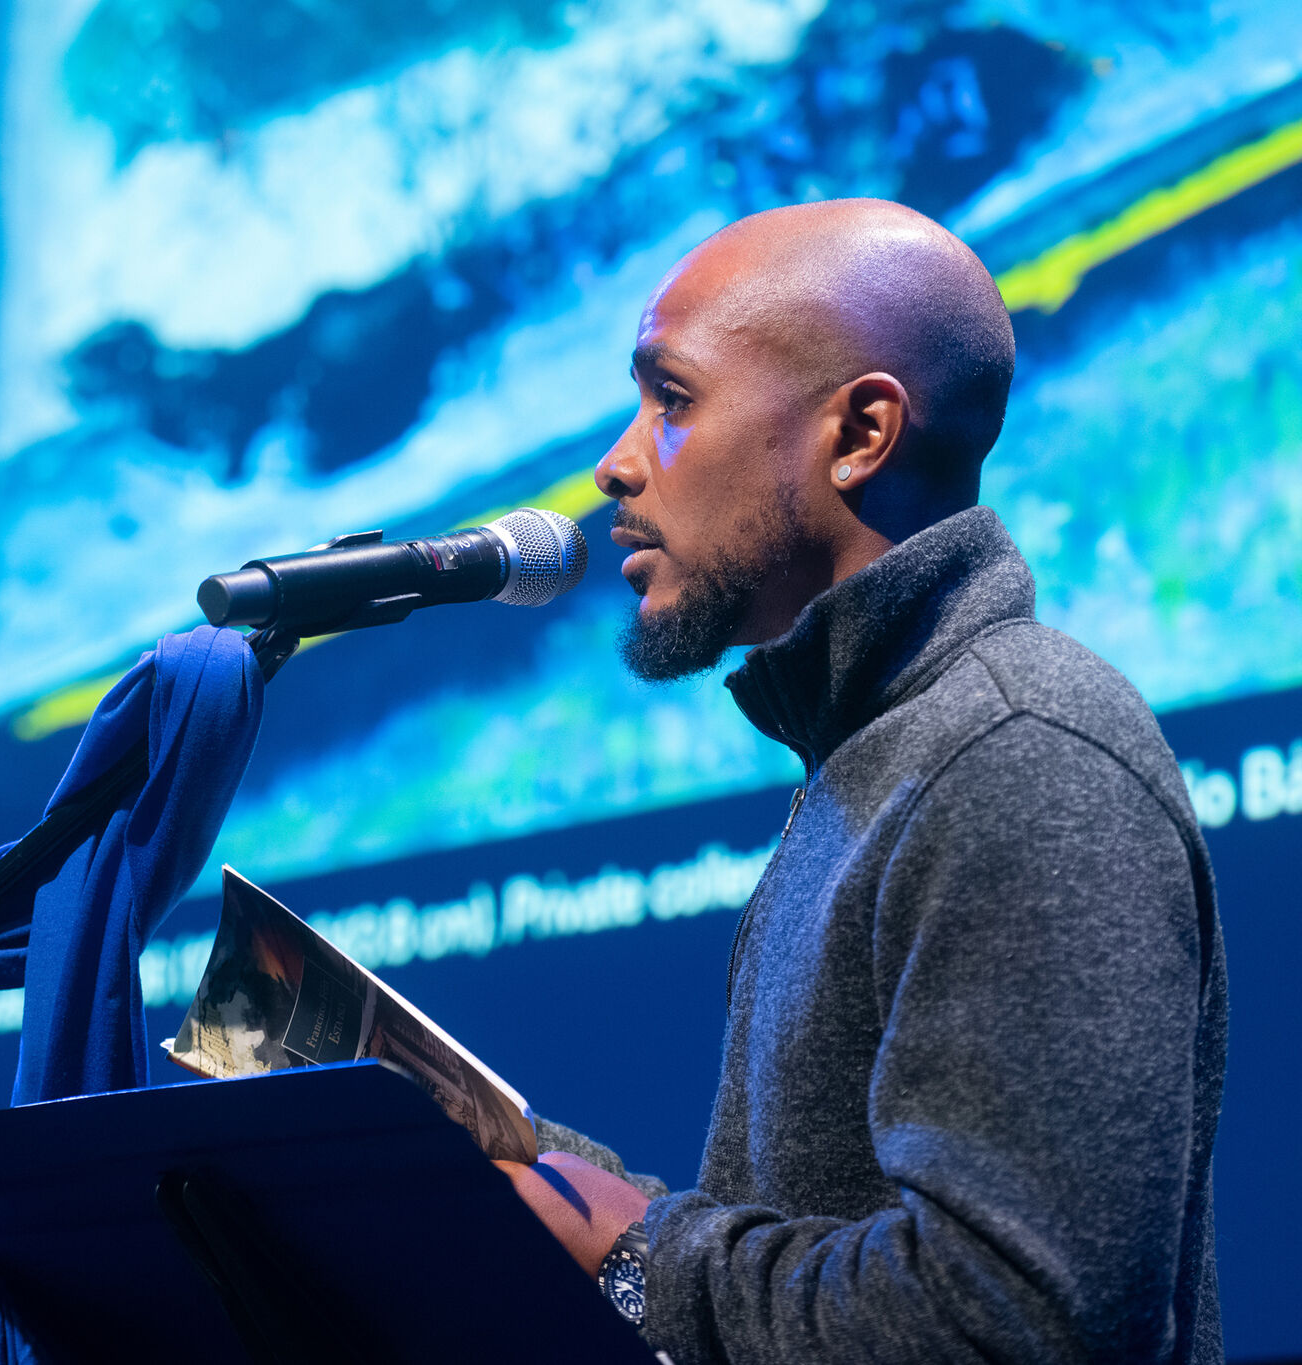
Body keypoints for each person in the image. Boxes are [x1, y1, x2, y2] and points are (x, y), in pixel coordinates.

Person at [497, 199, 1226, 1363]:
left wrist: (634, 1257)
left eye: (669, 400)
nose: (616, 463)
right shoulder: (874, 760)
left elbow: (1015, 1323)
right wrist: (501, 1165)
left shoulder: (1016, 752)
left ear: (860, 433)